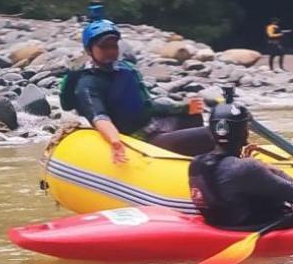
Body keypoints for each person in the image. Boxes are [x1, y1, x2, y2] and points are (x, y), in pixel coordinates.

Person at [61, 19, 210, 163]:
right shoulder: (87, 83)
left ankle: (195, 162)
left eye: (113, 46)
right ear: (89, 50)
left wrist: (183, 107)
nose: (110, 51)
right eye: (104, 47)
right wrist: (115, 141)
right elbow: (99, 117)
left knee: (193, 116)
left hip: (152, 127)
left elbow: (147, 105)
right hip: (136, 141)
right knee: (208, 133)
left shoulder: (126, 69)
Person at [188, 91, 293, 228]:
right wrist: (266, 167)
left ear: (211, 132)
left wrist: (245, 163)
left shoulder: (196, 163)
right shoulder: (247, 168)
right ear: (244, 133)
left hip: (220, 225)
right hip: (254, 228)